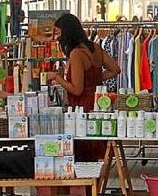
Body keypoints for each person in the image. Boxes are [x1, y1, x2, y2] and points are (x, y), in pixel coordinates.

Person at [51, 13, 120, 160]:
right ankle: (94, 181)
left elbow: (77, 89)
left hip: (82, 107)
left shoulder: (76, 54)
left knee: (84, 152)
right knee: (96, 147)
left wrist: (57, 78)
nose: (57, 36)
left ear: (67, 32)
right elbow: (115, 69)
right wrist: (94, 79)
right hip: (99, 103)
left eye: (58, 32)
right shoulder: (95, 47)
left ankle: (87, 182)